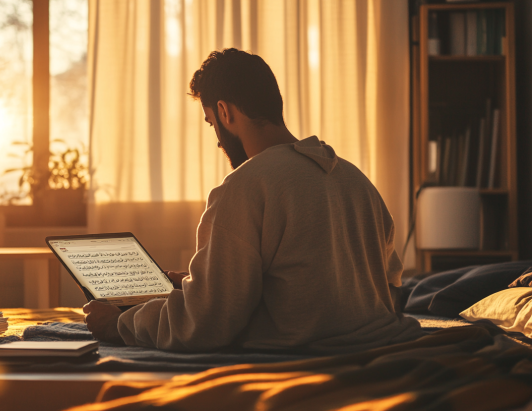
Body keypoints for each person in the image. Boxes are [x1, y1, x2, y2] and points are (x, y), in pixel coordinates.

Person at [83, 48, 423, 354]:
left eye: (211, 123)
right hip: (380, 345)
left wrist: (118, 324)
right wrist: (208, 277)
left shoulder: (243, 186)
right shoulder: (355, 179)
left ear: (224, 112)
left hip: (307, 360)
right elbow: (387, 285)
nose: (217, 140)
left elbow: (206, 321)